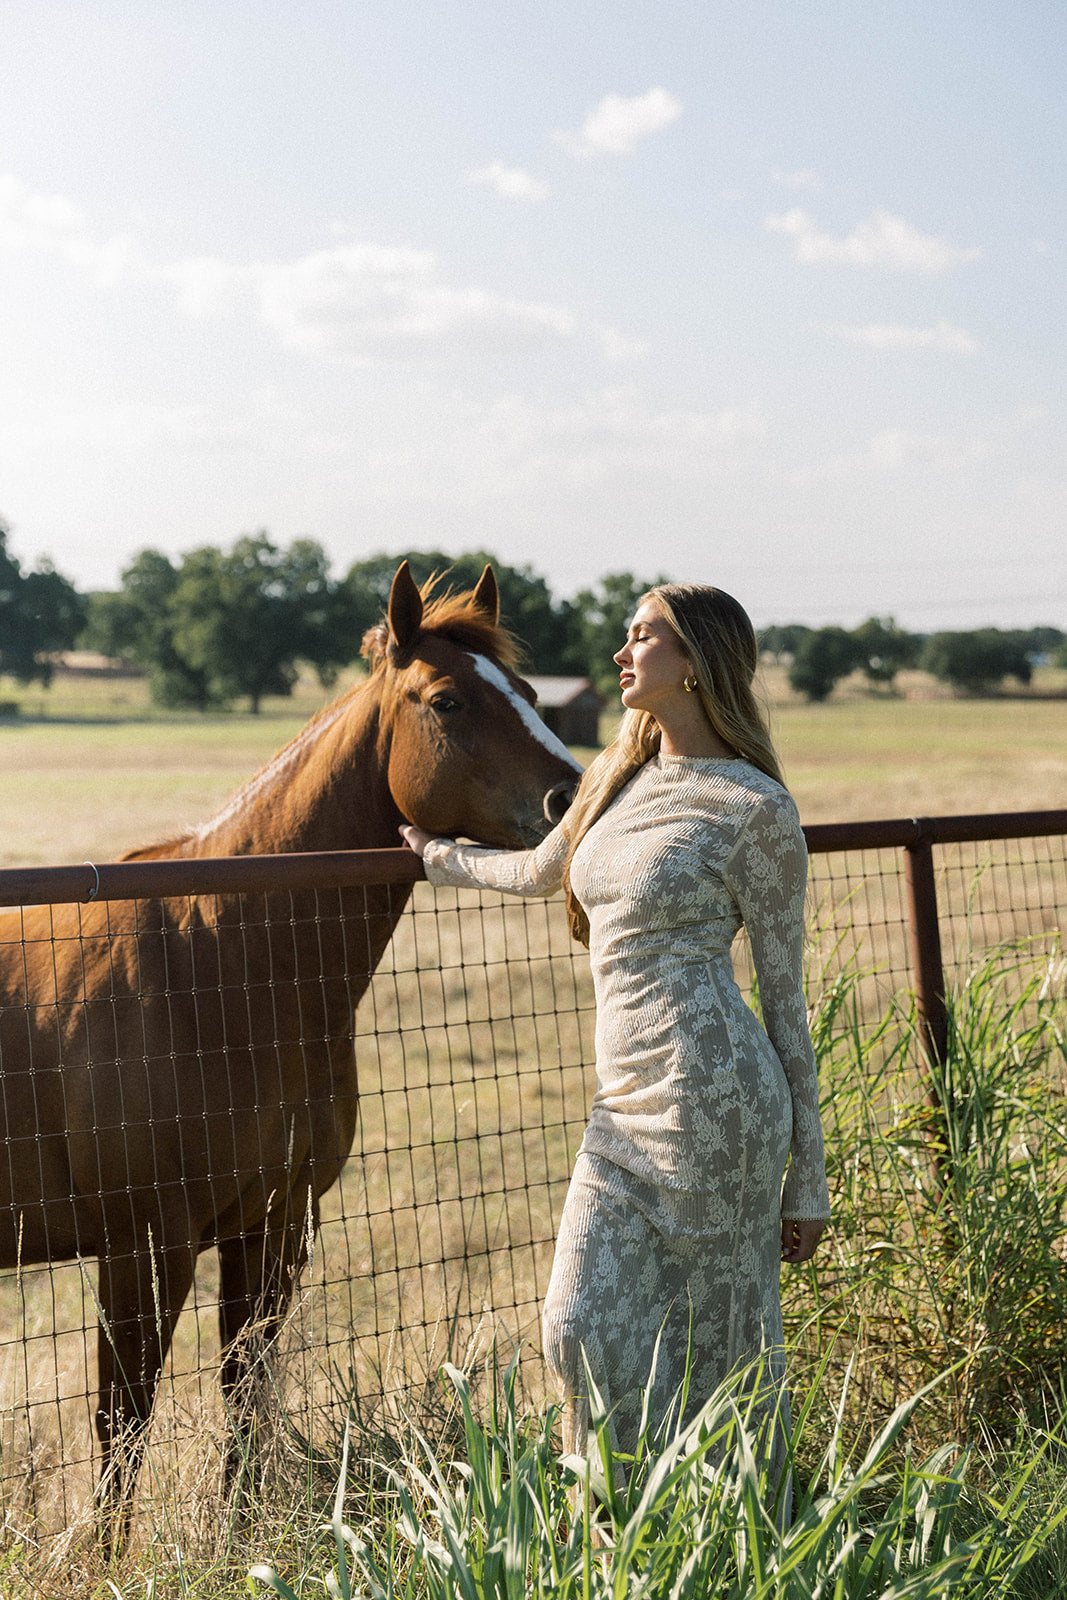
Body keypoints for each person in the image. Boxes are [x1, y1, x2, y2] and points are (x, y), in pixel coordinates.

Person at [400, 582, 830, 1495]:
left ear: (697, 661)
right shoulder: (612, 777)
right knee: (576, 1325)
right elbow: (538, 870)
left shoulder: (755, 809)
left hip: (720, 1111)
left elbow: (785, 1004)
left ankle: (734, 1536)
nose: (621, 653)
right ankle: (619, 1522)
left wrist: (809, 1180)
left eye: (644, 636)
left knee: (724, 1357)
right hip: (622, 1110)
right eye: (627, 635)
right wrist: (434, 857)